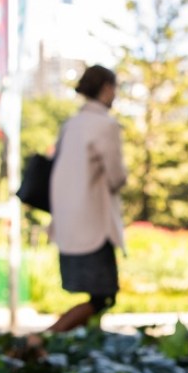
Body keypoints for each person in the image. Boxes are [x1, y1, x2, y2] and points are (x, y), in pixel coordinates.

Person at [45, 64, 127, 332]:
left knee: (96, 297)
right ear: (106, 89)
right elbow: (116, 177)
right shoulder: (105, 125)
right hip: (94, 227)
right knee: (103, 297)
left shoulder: (71, 125)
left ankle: (84, 346)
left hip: (67, 223)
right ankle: (44, 338)